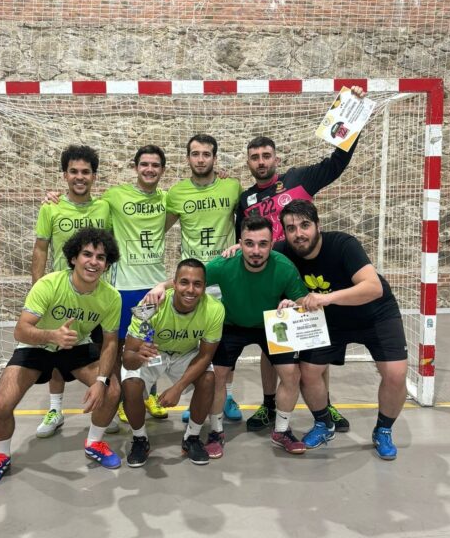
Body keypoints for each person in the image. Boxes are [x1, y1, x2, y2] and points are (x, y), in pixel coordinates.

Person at [235, 85, 366, 433]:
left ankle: (326, 406)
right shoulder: (245, 199)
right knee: (270, 343)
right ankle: (267, 405)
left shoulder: (299, 179)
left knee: (314, 339)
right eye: (255, 157)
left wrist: (351, 114)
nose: (261, 162)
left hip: (307, 270)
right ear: (248, 163)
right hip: (268, 276)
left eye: (266, 155)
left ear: (276, 159)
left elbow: (338, 162)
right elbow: (243, 239)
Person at [148, 216, 310, 457]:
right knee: (217, 376)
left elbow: (302, 300)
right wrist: (161, 286)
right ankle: (215, 431)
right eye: (249, 243)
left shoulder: (284, 267)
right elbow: (189, 280)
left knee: (291, 374)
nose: (256, 250)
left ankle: (282, 431)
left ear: (271, 244)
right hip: (233, 324)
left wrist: (293, 303)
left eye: (262, 244)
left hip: (270, 322)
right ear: (240, 243)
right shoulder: (225, 264)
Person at [0, 228, 123, 487]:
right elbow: (20, 330)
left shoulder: (111, 297)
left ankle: (94, 442)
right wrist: (51, 335)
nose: (93, 261)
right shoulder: (49, 284)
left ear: (107, 264)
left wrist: (101, 380)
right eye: (87, 254)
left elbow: (110, 341)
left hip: (76, 346)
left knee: (112, 391)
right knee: (1, 405)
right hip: (36, 346)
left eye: (100, 257)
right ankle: (1, 454)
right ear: (73, 258)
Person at [43, 145, 171, 427]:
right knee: (112, 344)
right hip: (121, 286)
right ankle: (118, 399)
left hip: (153, 285)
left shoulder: (168, 198)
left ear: (163, 170)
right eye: (144, 164)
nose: (149, 169)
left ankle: (146, 394)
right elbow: (78, 201)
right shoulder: (112, 198)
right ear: (135, 167)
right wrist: (54, 195)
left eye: (155, 165)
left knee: (148, 343)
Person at [276, 200, 408, 460]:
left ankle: (383, 430)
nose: (299, 233)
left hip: (375, 314)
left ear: (318, 226)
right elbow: (257, 252)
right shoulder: (283, 252)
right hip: (329, 319)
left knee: (395, 374)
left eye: (305, 225)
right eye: (291, 228)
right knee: (309, 371)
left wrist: (327, 298)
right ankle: (324, 423)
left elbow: (373, 287)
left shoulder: (343, 245)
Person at [32, 145, 111, 438]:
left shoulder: (104, 207)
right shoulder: (50, 207)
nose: (80, 177)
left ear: (94, 176)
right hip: (59, 295)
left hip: (97, 295)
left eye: (85, 172)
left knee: (107, 349)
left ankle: (104, 404)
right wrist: (37, 289)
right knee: (57, 350)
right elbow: (40, 248)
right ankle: (55, 410)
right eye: (74, 172)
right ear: (65, 175)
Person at [166, 134, 244, 422]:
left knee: (226, 341)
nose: (201, 159)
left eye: (206, 154)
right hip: (194, 280)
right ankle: (199, 395)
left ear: (215, 158)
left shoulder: (232, 186)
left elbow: (250, 219)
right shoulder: (176, 193)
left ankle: (228, 395)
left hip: (227, 277)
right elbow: (154, 224)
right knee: (199, 342)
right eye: (195, 154)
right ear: (187, 158)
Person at [122, 258, 224, 467]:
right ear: (174, 284)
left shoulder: (214, 309)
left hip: (186, 353)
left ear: (205, 287)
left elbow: (205, 356)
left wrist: (177, 388)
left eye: (197, 284)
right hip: (154, 352)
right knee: (131, 385)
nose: (190, 289)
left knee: (208, 379)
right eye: (184, 282)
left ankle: (192, 438)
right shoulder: (150, 305)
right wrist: (138, 355)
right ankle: (140, 439)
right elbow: (128, 359)